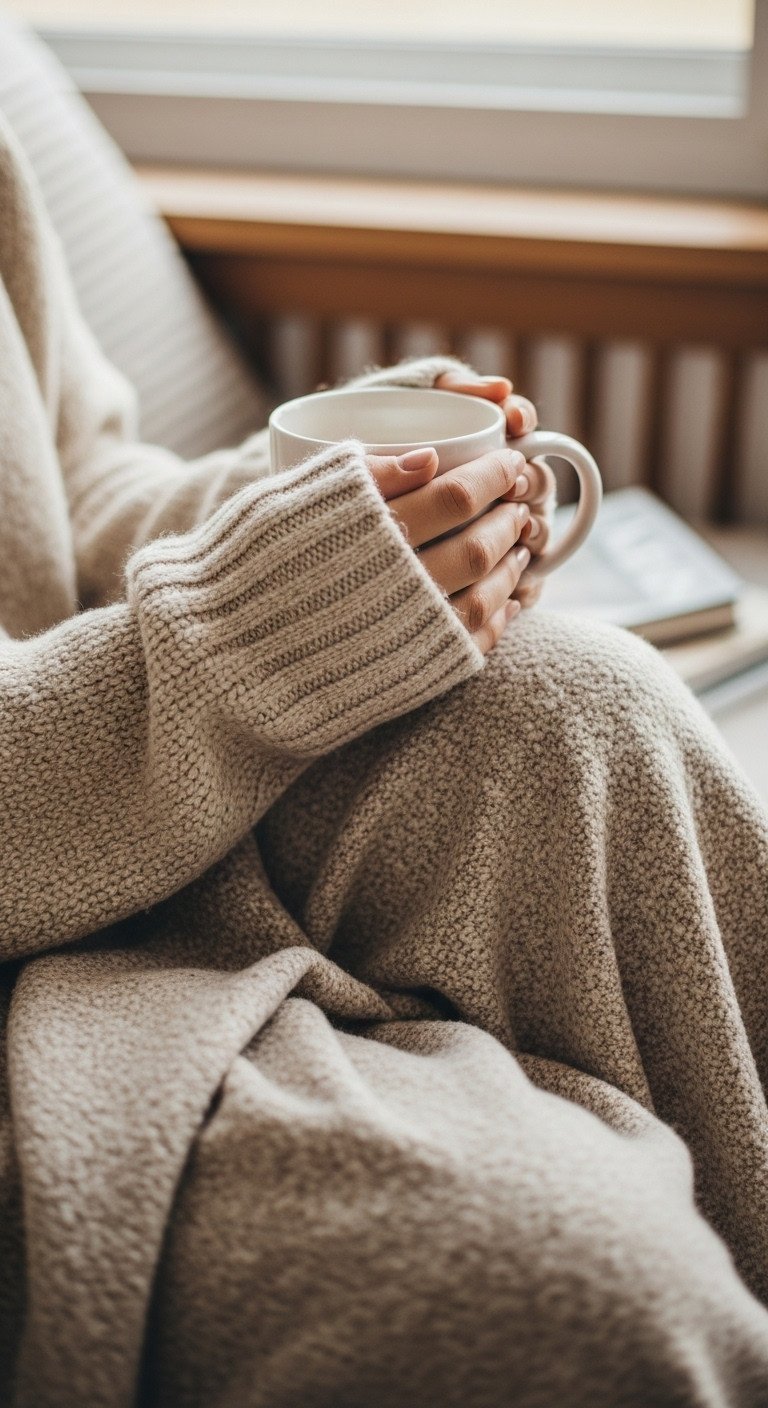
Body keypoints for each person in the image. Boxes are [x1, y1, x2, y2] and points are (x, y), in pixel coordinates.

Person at [1, 108, 768, 1408]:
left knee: (583, 702)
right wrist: (236, 638)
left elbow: (71, 493)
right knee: (560, 1294)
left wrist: (304, 516)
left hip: (94, 782)